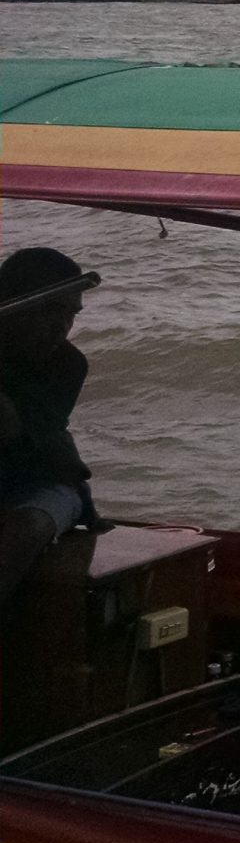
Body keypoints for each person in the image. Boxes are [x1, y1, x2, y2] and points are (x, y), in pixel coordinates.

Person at [0, 247, 101, 608]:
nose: (61, 328)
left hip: (41, 479)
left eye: (70, 315)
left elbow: (9, 428)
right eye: (49, 311)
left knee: (29, 527)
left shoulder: (68, 365)